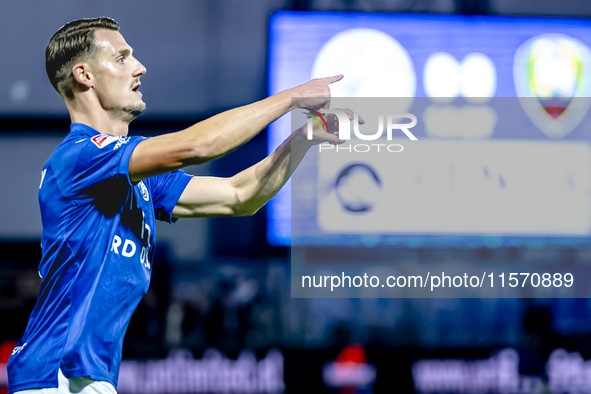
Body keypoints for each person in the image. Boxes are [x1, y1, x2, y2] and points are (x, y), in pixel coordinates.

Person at [7, 16, 348, 394]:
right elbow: (199, 146)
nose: (139, 67)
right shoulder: (81, 157)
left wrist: (304, 137)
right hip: (56, 375)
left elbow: (240, 196)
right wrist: (292, 97)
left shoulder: (136, 178)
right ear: (84, 75)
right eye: (122, 58)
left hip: (83, 377)